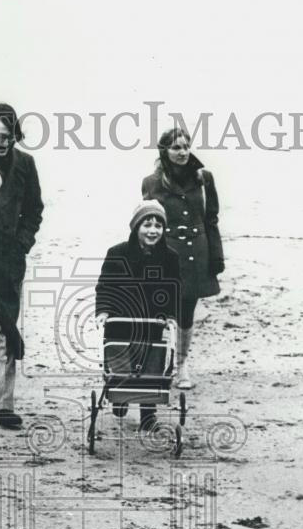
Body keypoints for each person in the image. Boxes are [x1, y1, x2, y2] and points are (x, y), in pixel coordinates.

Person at [0, 103, 43, 429]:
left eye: (7, 137)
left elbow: (34, 210)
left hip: (8, 260)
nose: (0, 142)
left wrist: (22, 243)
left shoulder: (26, 165)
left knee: (6, 328)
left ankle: (2, 405)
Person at [141, 127, 223, 390]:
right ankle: (155, 365)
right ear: (164, 151)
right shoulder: (152, 183)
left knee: (187, 312)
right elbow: (147, 223)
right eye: (176, 147)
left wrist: (216, 257)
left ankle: (181, 366)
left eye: (186, 146)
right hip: (166, 253)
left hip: (196, 253)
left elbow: (211, 219)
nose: (183, 152)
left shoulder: (204, 178)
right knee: (159, 311)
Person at [95, 201, 181, 431]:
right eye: (147, 224)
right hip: (121, 321)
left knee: (152, 366)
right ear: (136, 227)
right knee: (120, 359)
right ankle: (120, 395)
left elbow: (174, 289)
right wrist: (103, 310)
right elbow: (105, 286)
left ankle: (147, 413)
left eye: (158, 226)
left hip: (152, 320)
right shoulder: (117, 253)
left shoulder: (170, 257)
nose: (153, 230)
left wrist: (170, 315)